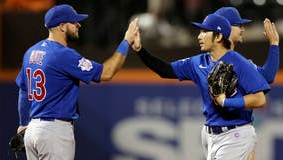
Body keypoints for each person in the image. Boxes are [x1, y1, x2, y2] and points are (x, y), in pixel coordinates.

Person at [131, 13, 270, 159]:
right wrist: (140, 51)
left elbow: (260, 99)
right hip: (210, 135)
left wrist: (225, 102)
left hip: (236, 134)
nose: (199, 36)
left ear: (218, 37)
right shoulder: (197, 62)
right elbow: (164, 70)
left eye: (205, 32)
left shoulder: (239, 63)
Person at [15, 4, 138, 160]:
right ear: (61, 26)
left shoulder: (31, 52)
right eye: (73, 22)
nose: (78, 24)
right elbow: (106, 73)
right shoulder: (62, 55)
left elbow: (23, 90)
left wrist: (23, 123)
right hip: (54, 132)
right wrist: (126, 42)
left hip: (33, 131)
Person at [199, 7, 280, 159]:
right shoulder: (215, 61)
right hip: (226, 132)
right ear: (226, 27)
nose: (243, 29)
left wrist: (274, 45)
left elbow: (267, 77)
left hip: (233, 131)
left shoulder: (238, 61)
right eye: (239, 25)